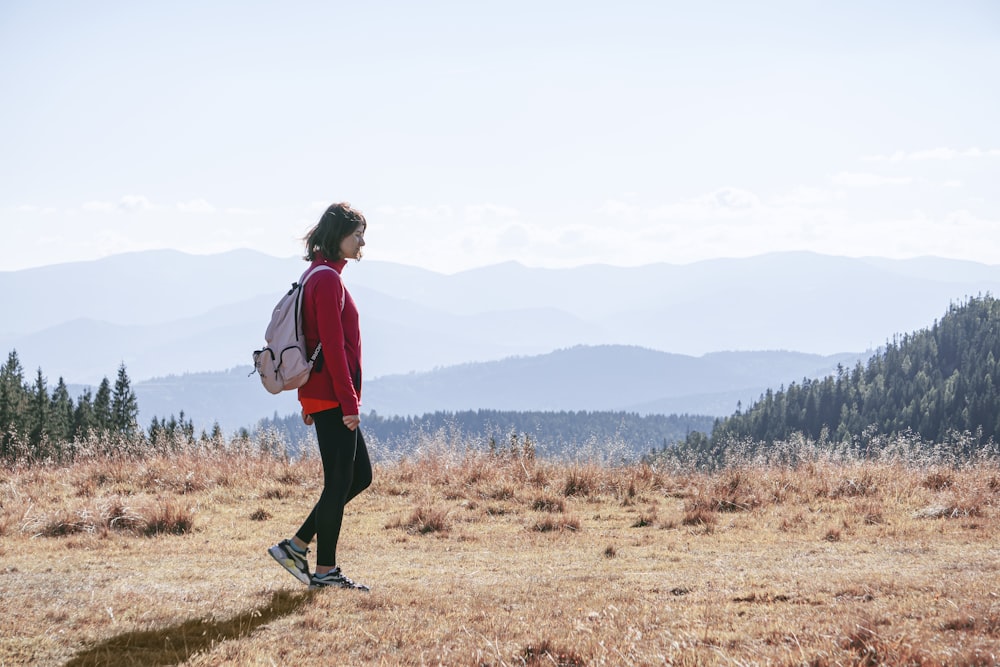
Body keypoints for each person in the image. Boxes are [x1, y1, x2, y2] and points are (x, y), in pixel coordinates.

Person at [268, 202, 373, 590]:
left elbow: (308, 342)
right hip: (332, 395)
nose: (362, 241)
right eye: (357, 233)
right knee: (340, 481)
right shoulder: (326, 280)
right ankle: (325, 570)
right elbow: (329, 344)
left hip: (323, 394)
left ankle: (297, 546)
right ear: (337, 235)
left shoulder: (316, 274)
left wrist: (308, 399)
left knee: (357, 476)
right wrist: (350, 403)